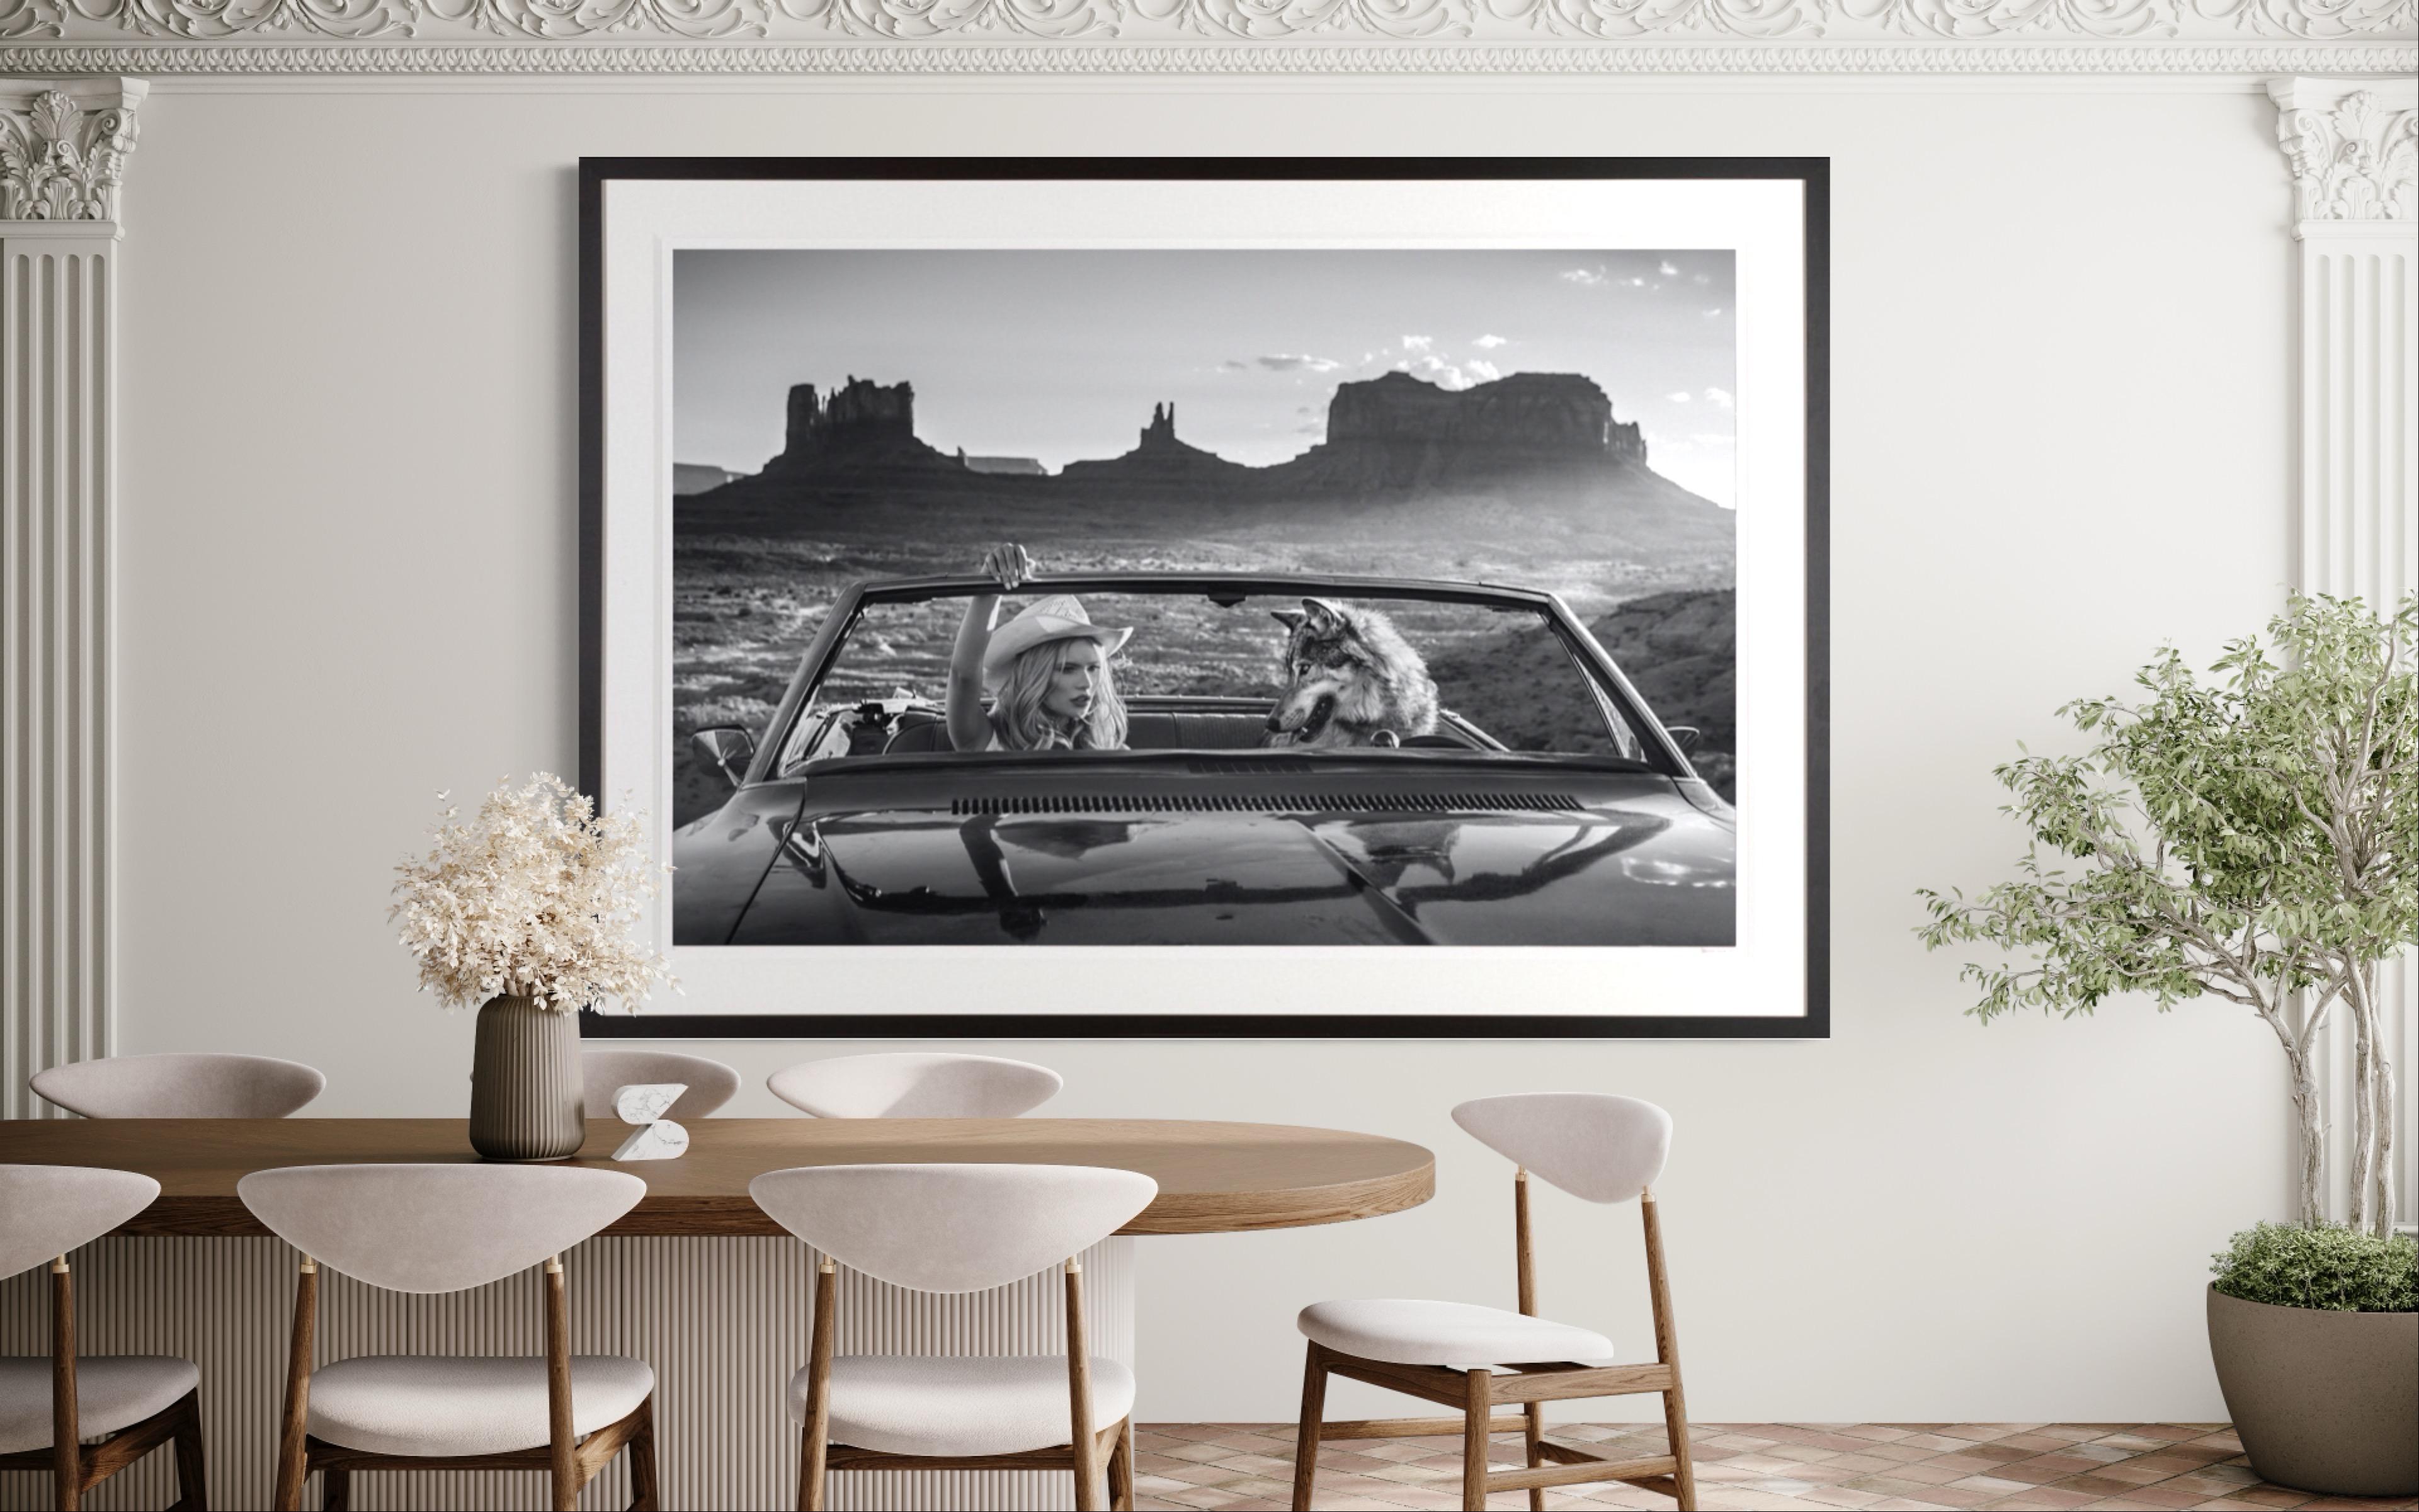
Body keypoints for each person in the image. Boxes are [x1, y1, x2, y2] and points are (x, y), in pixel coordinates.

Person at [947, 543, 1133, 752]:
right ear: (1034, 676)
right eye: (1067, 669)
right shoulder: (988, 739)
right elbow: (963, 676)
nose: (1086, 683)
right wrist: (991, 586)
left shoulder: (1111, 749)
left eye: (1093, 668)